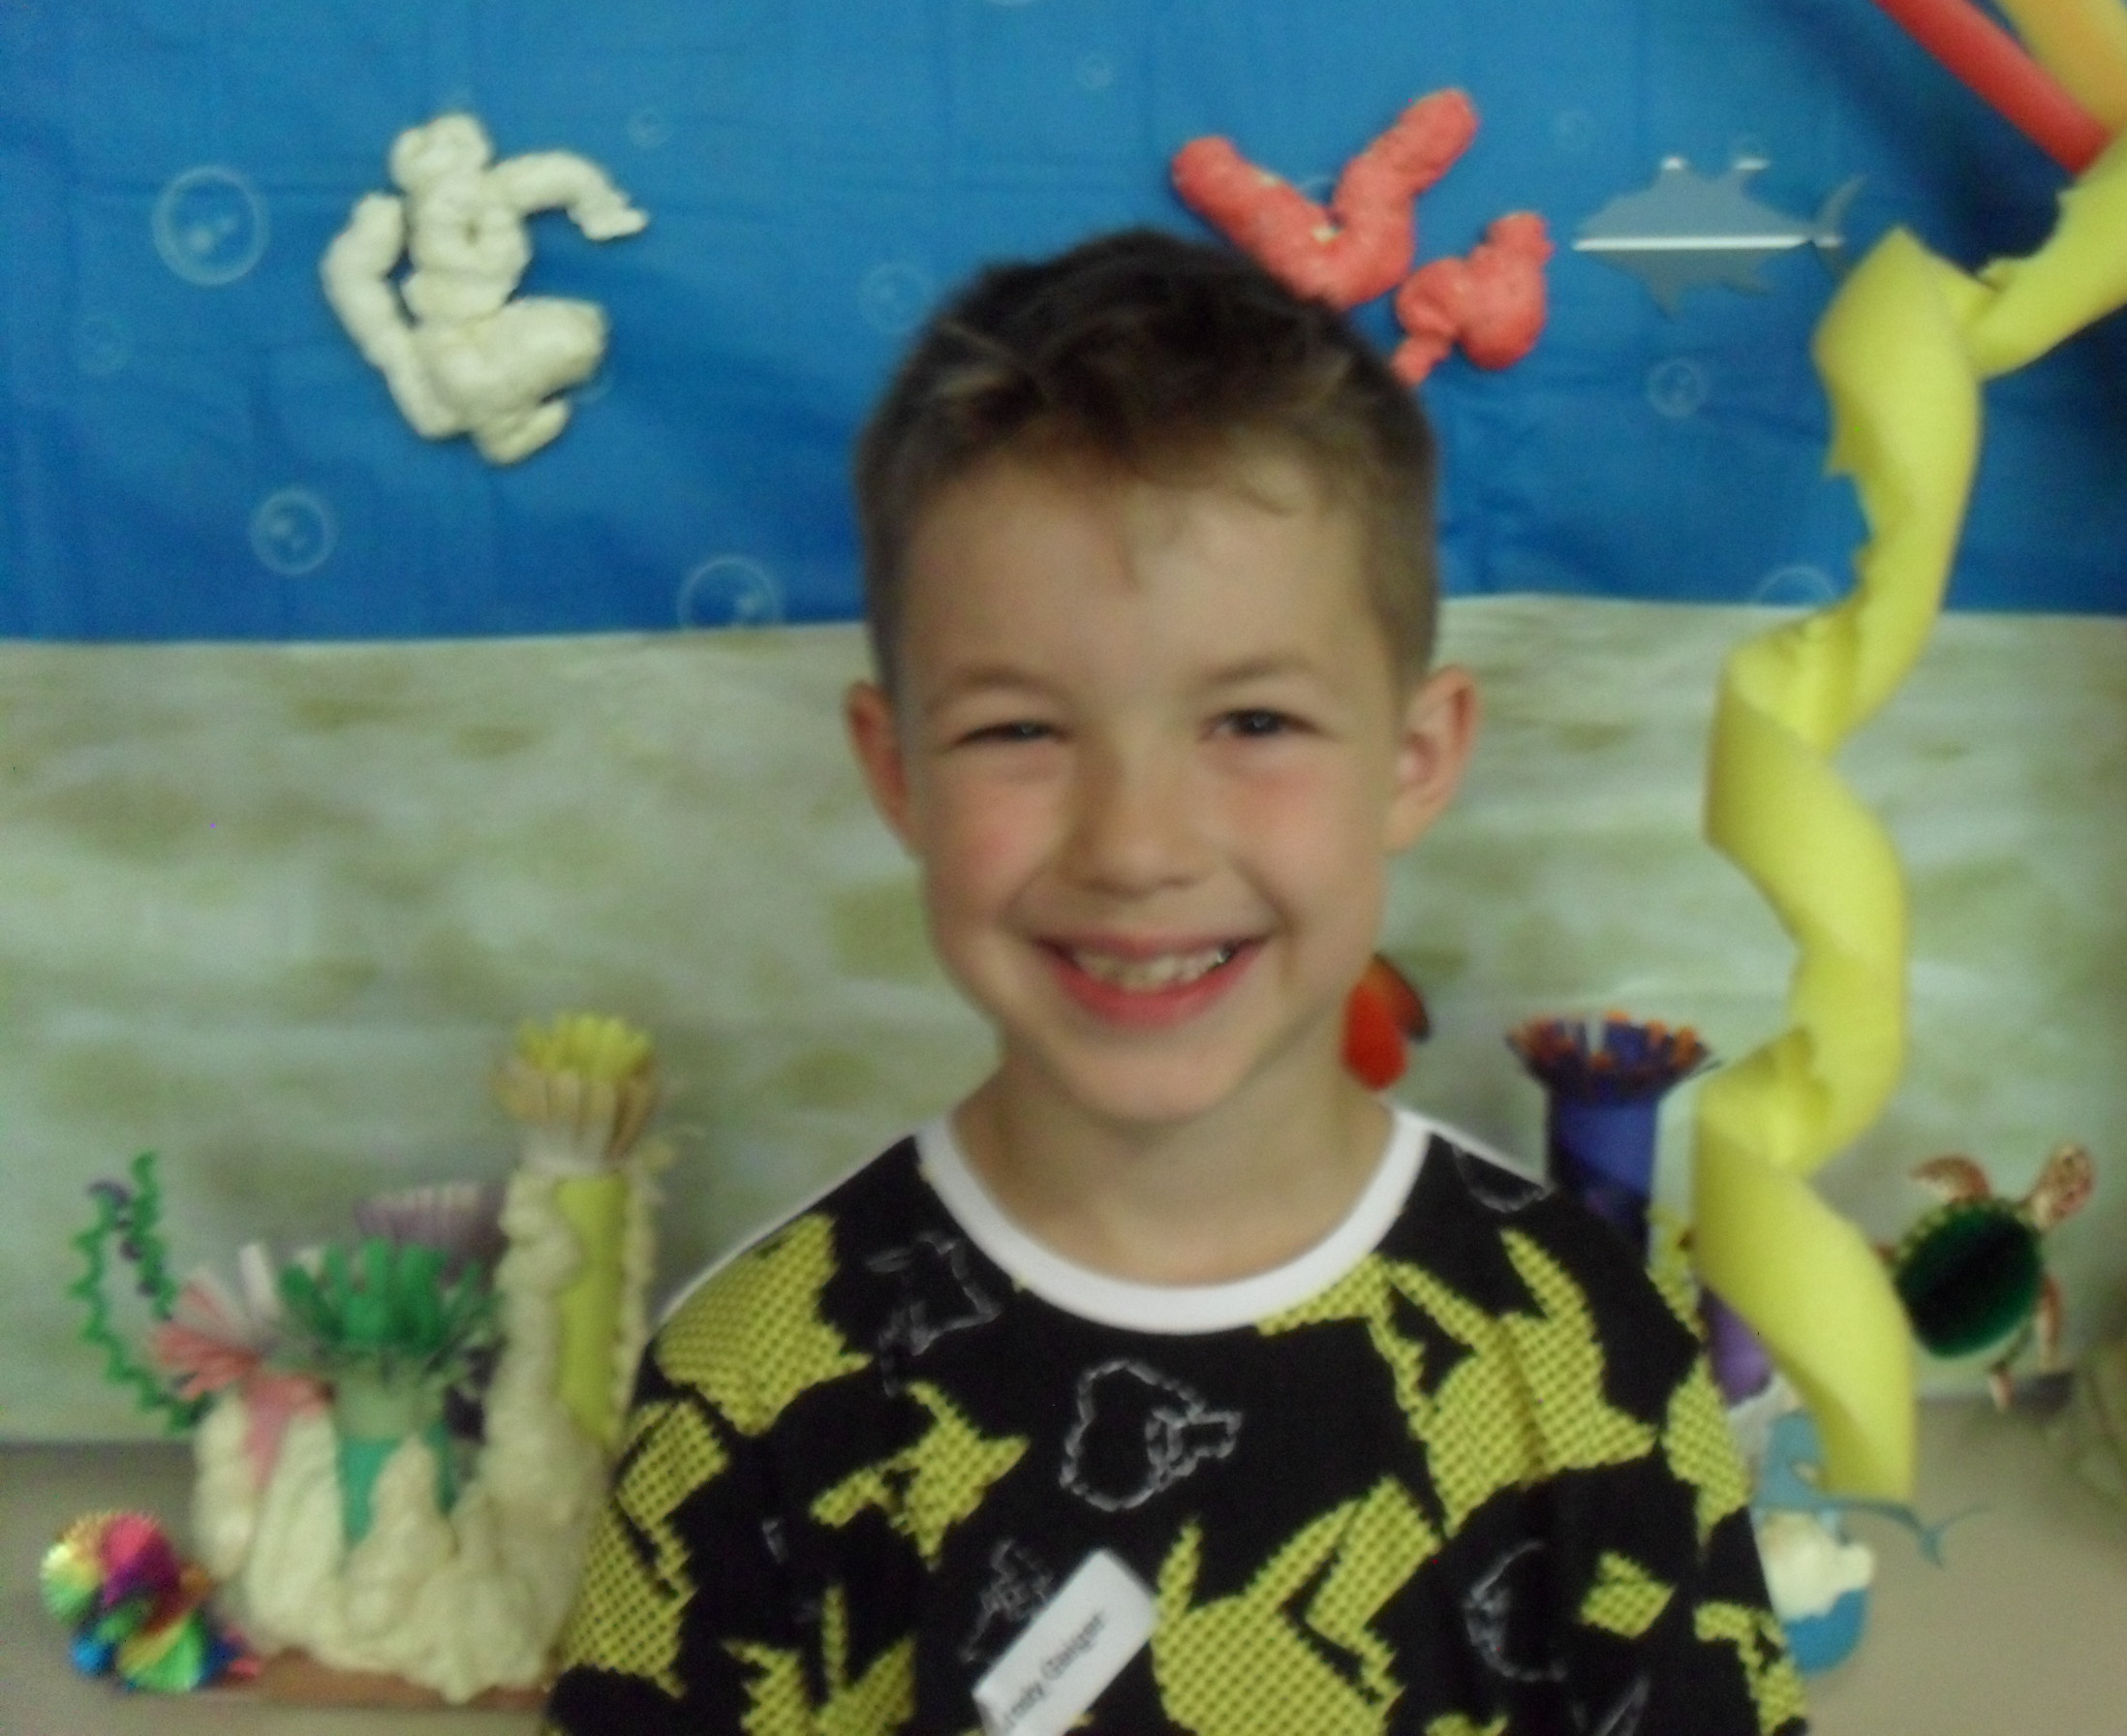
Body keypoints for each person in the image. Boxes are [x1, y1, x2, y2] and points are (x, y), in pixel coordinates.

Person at [542, 230, 1804, 1736]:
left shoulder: (1593, 1349)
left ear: (1416, 759)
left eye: (1253, 722)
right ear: (897, 772)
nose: (1136, 848)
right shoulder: (749, 1393)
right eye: (1020, 731)